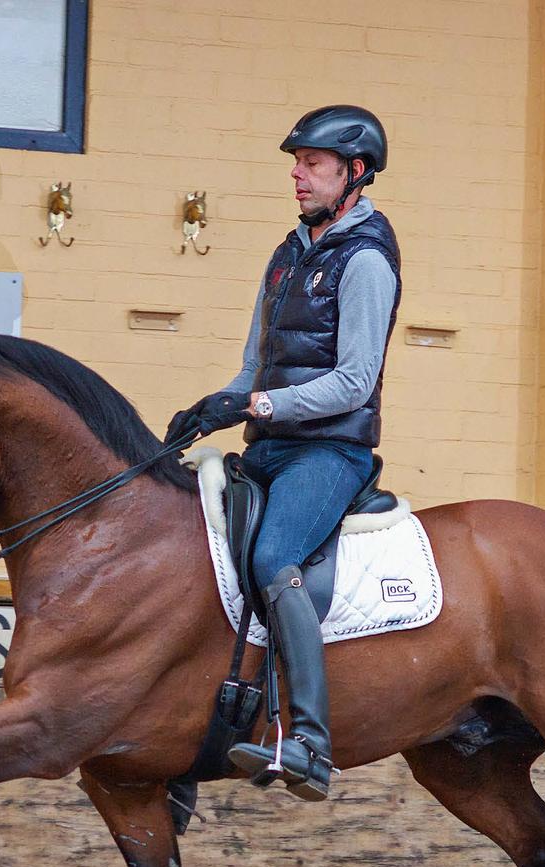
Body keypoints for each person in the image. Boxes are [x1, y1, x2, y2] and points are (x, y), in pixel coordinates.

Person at [165, 104, 402, 801]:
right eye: (296, 163)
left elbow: (355, 380)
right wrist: (212, 408)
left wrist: (264, 406)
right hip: (267, 448)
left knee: (272, 559)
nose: (297, 175)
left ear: (353, 173)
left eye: (312, 163)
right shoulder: (288, 254)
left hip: (329, 454)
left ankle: (310, 742)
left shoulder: (365, 261)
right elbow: (254, 372)